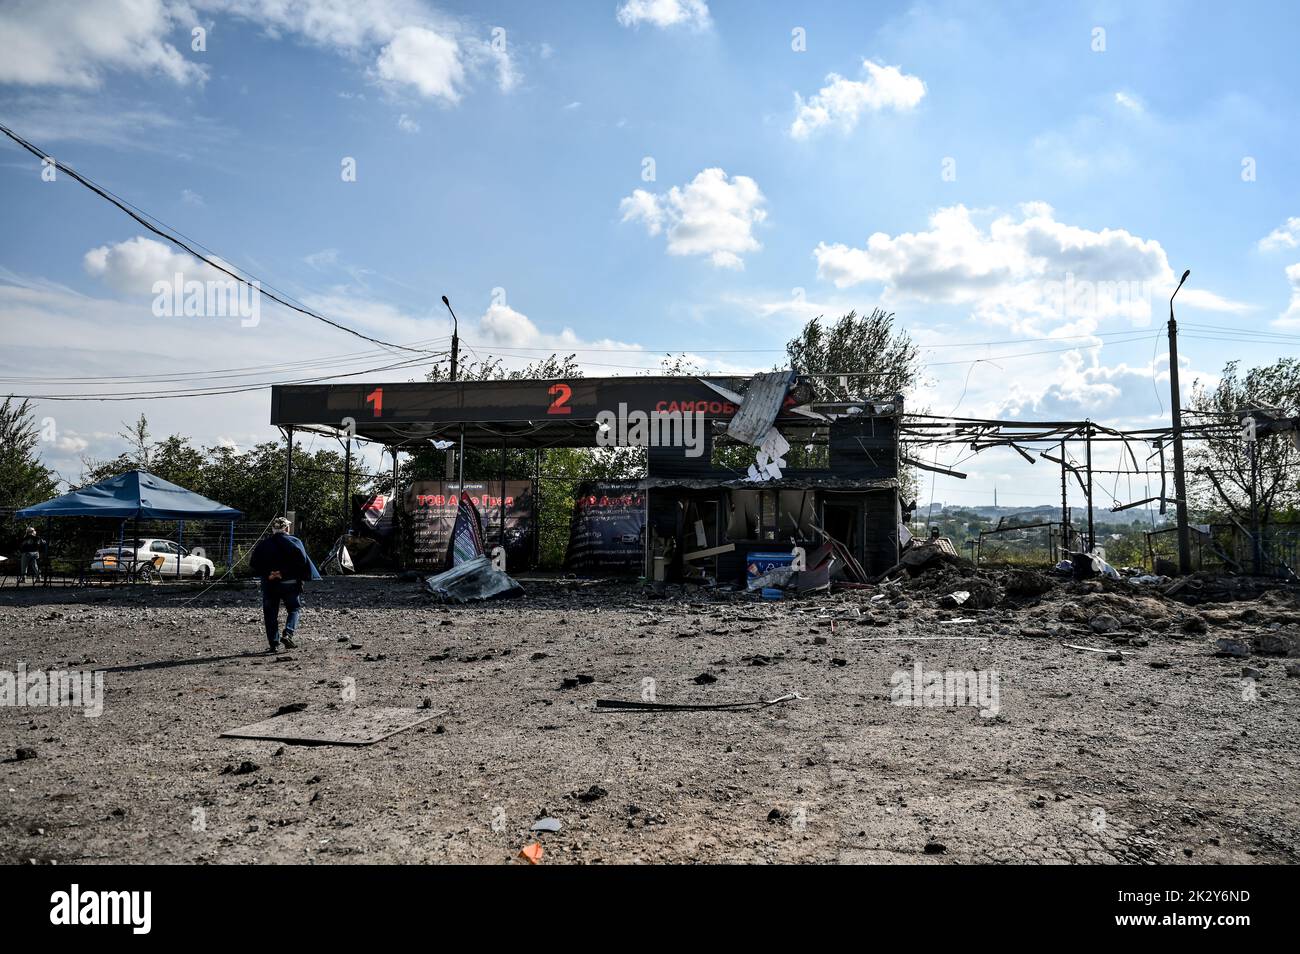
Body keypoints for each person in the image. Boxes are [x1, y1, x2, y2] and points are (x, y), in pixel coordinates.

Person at [249, 517, 320, 652]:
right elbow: (302, 561)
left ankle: (273, 644)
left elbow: (254, 564)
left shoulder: (263, 544)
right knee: (294, 609)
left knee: (270, 614)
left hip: (270, 584)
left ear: (273, 529)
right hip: (290, 583)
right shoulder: (295, 542)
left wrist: (270, 573)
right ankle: (288, 633)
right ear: (287, 528)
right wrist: (283, 572)